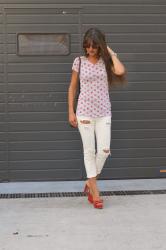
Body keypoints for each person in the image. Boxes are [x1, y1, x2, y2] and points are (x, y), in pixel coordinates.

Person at [68, 27, 127, 209]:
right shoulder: (79, 61)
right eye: (88, 46)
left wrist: (109, 50)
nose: (90, 50)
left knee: (103, 150)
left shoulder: (105, 61)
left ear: (100, 46)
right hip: (84, 111)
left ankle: (90, 181)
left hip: (103, 112)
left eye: (94, 46)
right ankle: (95, 192)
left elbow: (120, 70)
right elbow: (72, 87)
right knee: (89, 151)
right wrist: (71, 111)